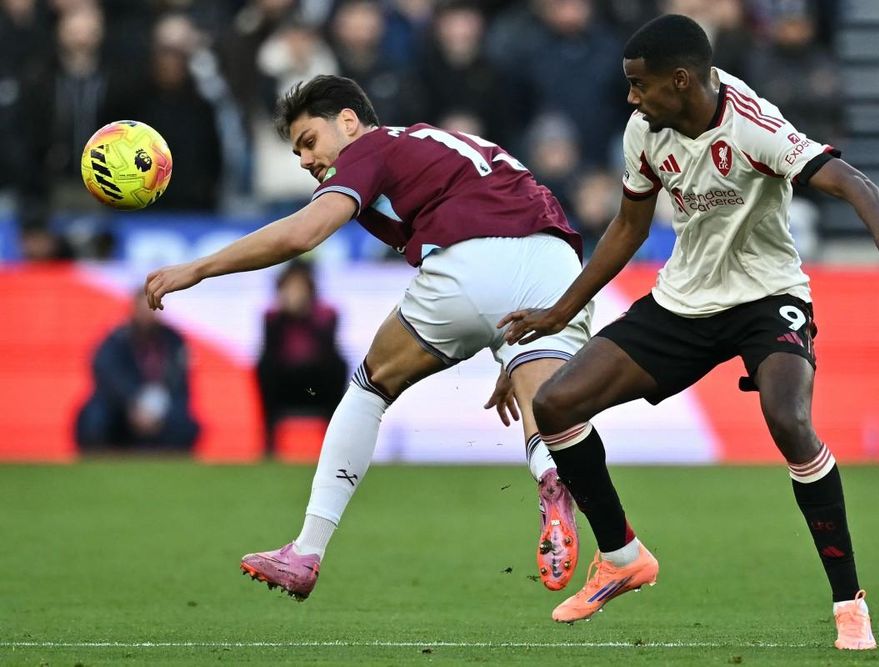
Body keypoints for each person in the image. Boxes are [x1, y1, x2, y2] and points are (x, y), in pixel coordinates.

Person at [500, 14, 879, 648]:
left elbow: (850, 181)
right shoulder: (645, 130)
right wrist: (561, 312)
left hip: (767, 297)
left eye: (639, 85)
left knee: (790, 421)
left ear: (680, 80)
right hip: (685, 302)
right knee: (557, 402)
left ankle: (849, 603)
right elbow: (628, 228)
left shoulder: (753, 124)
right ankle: (621, 557)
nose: (631, 97)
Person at [144, 74, 593, 599]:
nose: (307, 161)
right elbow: (513, 224)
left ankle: (306, 551)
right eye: (296, 153)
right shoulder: (441, 143)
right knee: (544, 401)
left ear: (349, 121)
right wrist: (507, 351)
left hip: (476, 256)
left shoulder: (370, 148)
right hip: (559, 263)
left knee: (368, 387)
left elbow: (301, 234)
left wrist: (197, 269)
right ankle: (553, 480)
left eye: (309, 141)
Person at [76, 288, 200, 452]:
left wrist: (156, 406)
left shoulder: (173, 340)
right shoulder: (116, 340)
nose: (147, 315)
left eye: (152, 309)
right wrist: (134, 403)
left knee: (184, 421)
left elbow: (179, 381)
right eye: (143, 309)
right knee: (95, 417)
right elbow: (108, 377)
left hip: (161, 404)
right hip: (121, 406)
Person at [256, 259, 349, 454]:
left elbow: (328, 350)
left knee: (338, 367)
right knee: (264, 368)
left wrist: (304, 313)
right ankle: (269, 444)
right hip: (286, 383)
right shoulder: (272, 317)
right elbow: (269, 353)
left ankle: (336, 445)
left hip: (316, 384)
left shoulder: (326, 314)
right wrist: (286, 314)